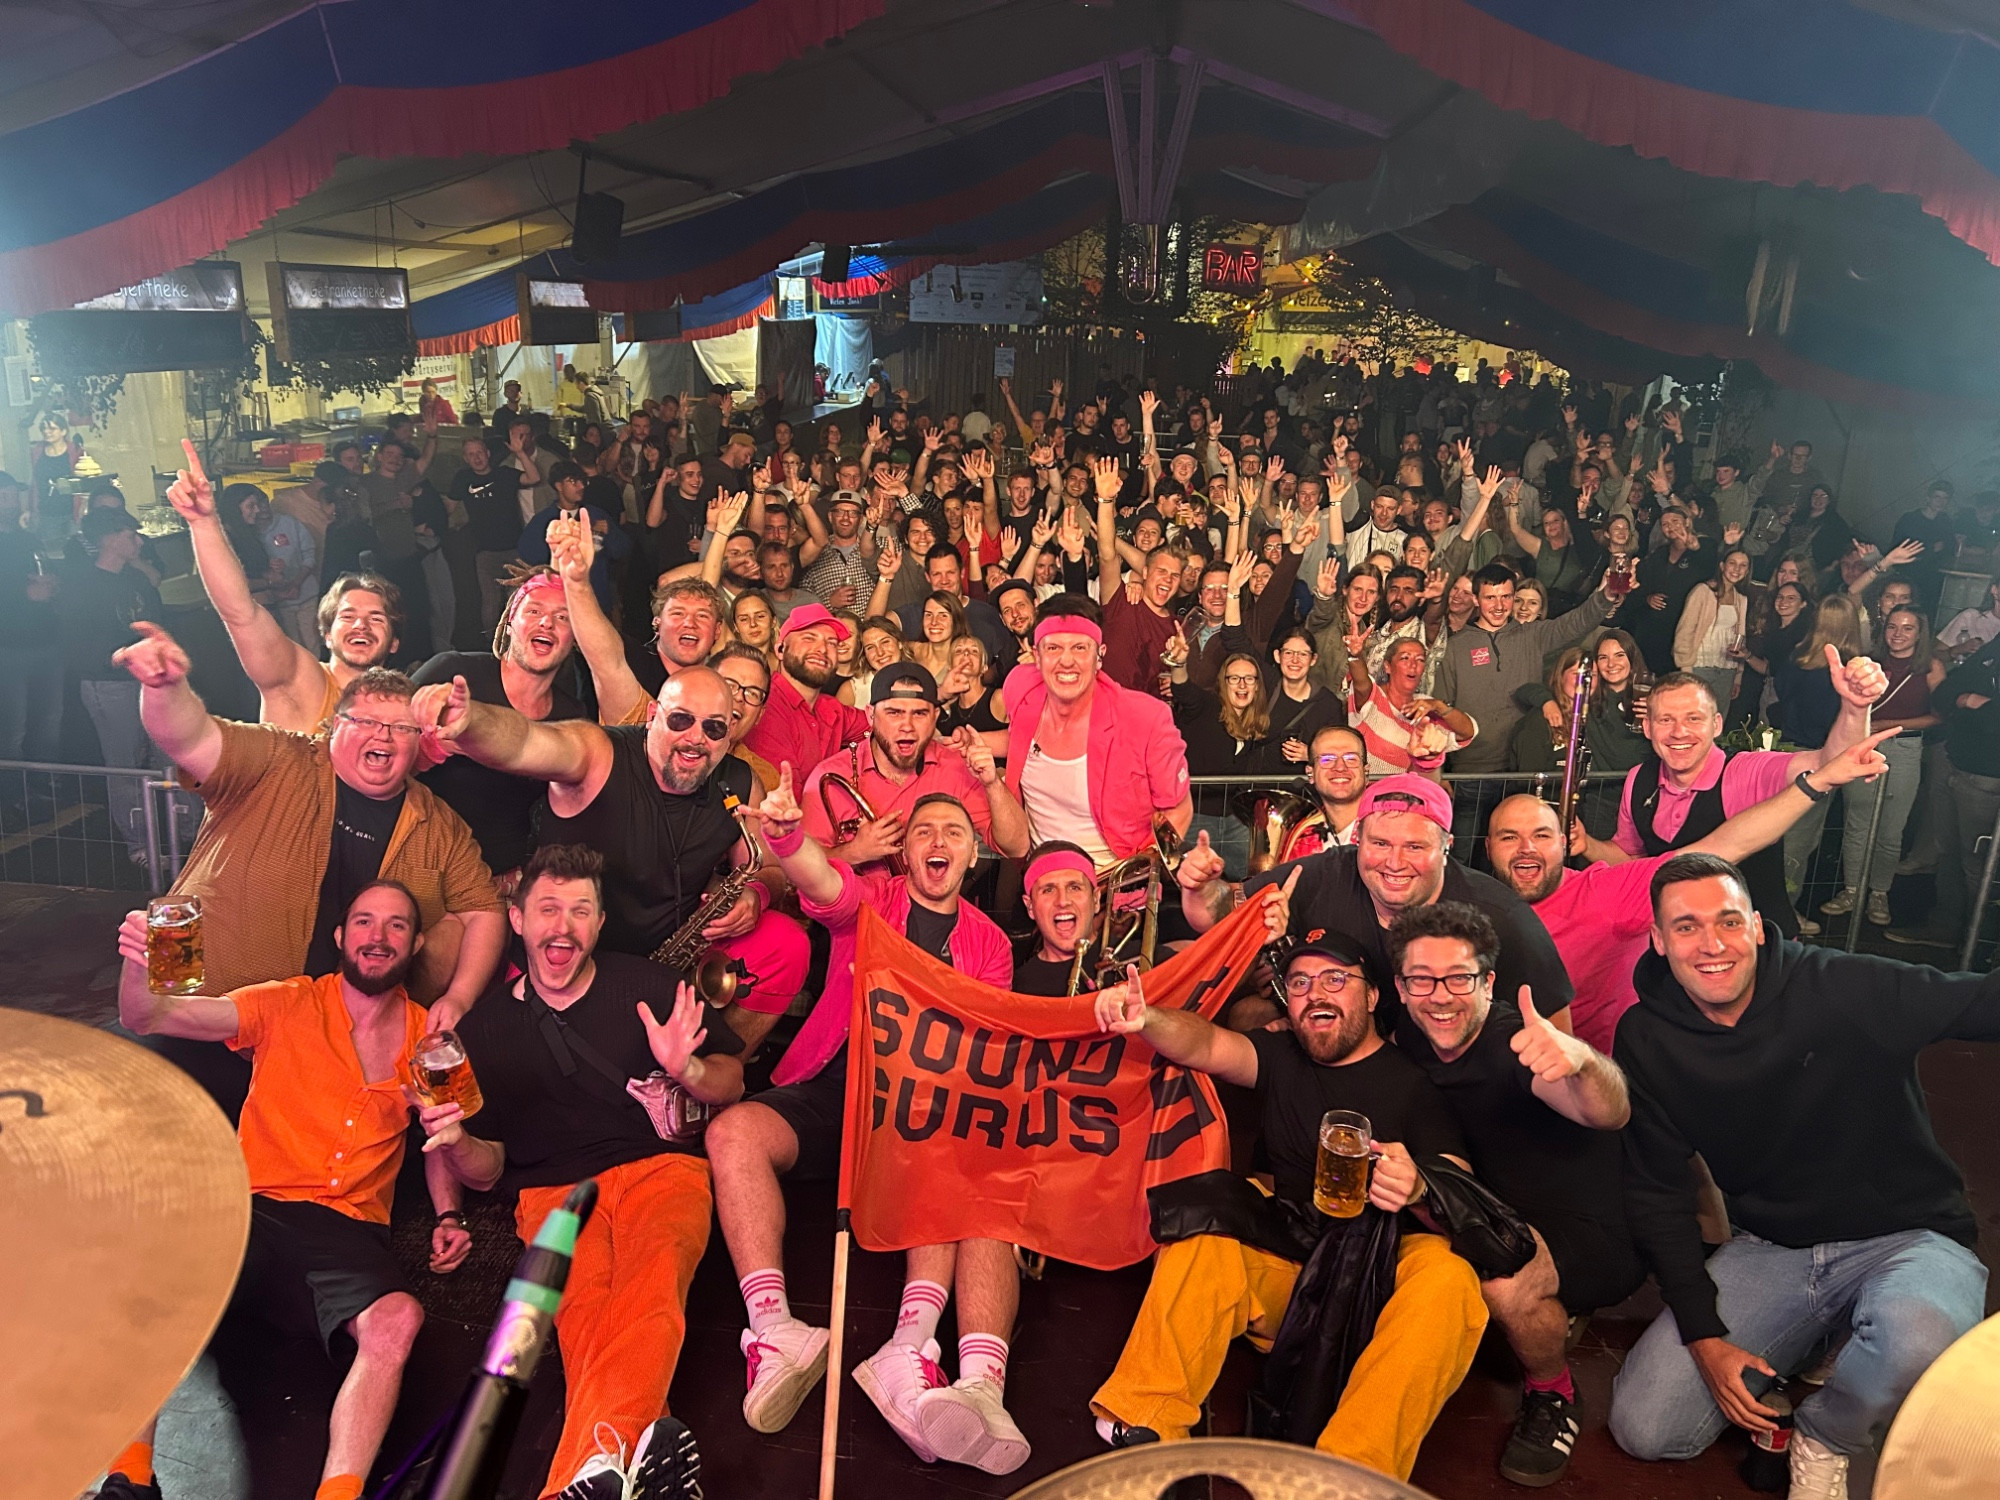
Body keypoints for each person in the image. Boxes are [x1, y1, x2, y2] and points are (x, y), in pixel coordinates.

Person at [1607, 852, 1998, 1498]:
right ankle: (1822, 1339)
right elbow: (1656, 1191)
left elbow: (1979, 1001)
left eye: (1729, 921)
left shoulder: (1843, 986)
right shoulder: (1647, 1038)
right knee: (1647, 1428)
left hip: (1908, 1232)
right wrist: (1704, 1335)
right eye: (1686, 926)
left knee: (1917, 1339)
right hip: (1774, 1246)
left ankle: (1826, 1433)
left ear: (1758, 926)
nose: (1712, 944)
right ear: (1658, 939)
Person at [1087, 936, 1488, 1481]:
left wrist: (1418, 1186)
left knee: (1450, 1278)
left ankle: (1348, 1475)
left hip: (1376, 1289)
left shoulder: (1414, 1086)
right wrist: (1147, 1018)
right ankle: (1147, 1418)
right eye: (1300, 983)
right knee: (1208, 1224)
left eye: (1335, 979)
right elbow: (1205, 1043)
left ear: (1372, 997)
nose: (1315, 993)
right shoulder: (1280, 1056)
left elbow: (1463, 1197)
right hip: (1295, 1272)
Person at [706, 781, 1022, 1470]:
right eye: (924, 831)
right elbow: (823, 882)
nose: (938, 841)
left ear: (973, 856)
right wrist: (788, 838)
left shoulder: (991, 944)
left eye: (955, 832)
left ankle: (910, 1346)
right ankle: (775, 1331)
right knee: (732, 1133)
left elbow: (984, 1049)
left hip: (921, 1111)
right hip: (834, 1089)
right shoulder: (876, 901)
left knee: (949, 1147)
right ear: (905, 853)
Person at [103, 884, 444, 1500]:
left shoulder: (429, 1039)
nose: (378, 936)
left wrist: (451, 1216)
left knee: (398, 1320)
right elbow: (149, 1015)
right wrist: (137, 966)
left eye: (396, 925)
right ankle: (129, 1479)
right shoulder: (288, 1001)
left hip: (348, 1230)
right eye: (364, 921)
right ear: (341, 937)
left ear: (415, 943)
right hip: (255, 1209)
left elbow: (444, 1135)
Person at [417, 844, 735, 1500]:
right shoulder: (486, 1030)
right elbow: (488, 1170)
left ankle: (583, 1472)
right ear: (517, 919)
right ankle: (622, 1474)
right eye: (548, 909)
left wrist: (688, 1070)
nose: (563, 926)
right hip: (551, 1193)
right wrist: (456, 1143)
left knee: (652, 1287)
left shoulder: (649, 986)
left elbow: (732, 1082)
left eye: (580, 911)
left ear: (599, 923)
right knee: (583, 1316)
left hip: (661, 1168)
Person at [419, 664, 807, 1051]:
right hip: (563, 958)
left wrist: (756, 893)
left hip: (662, 965)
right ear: (653, 714)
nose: (695, 738)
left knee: (786, 941)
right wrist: (470, 721)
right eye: (680, 719)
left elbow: (769, 868)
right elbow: (523, 742)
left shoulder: (740, 782)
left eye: (714, 728)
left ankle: (720, 1070)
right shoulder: (599, 751)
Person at [1386, 901, 1638, 1487]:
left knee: (1503, 1282)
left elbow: (1608, 1112)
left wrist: (1583, 1062)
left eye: (1459, 978)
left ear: (1488, 982)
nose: (1441, 996)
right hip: (1494, 1210)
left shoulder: (1517, 1046)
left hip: (1592, 1229)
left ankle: (1554, 1393)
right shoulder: (1412, 1038)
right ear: (1400, 987)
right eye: (1422, 979)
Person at [1482, 722, 1896, 1059]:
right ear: (1487, 848)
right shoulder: (1475, 906)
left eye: (1542, 835)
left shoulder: (1605, 892)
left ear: (1565, 843)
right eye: (1509, 837)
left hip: (1594, 1075)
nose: (1526, 848)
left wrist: (1818, 781)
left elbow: (1724, 846)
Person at [1178, 774, 1574, 1036]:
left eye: (1414, 847)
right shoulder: (1325, 873)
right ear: (1358, 841)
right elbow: (1215, 916)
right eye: (1380, 844)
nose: (1394, 863)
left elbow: (1558, 1037)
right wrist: (1201, 888)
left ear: (1446, 848)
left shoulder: (1502, 917)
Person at [1605, 654, 1888, 939]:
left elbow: (1832, 764)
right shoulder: (1639, 779)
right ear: (1647, 727)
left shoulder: (1745, 772)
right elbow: (1630, 857)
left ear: (1716, 725)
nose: (1679, 732)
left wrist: (1855, 708)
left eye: (1694, 718)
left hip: (1761, 948)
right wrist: (1584, 843)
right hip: (1684, 947)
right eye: (1666, 720)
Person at [165, 443, 402, 734]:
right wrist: (204, 523)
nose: (360, 625)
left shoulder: (403, 708)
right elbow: (240, 612)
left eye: (376, 618)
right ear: (327, 635)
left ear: (394, 642)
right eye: (348, 616)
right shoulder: (299, 682)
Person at [410, 567, 585, 877]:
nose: (547, 623)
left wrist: (527, 876)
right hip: (425, 862)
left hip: (506, 879)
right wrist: (429, 747)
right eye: (534, 611)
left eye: (563, 617)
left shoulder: (572, 717)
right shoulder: (452, 670)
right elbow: (380, 752)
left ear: (574, 639)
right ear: (508, 623)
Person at [1001, 593, 1192, 872]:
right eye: (1053, 648)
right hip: (1040, 878)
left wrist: (1137, 874)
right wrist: (967, 742)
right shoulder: (1020, 687)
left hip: (1118, 879)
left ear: (1100, 655)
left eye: (1080, 647)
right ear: (1037, 657)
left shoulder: (1145, 718)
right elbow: (1019, 739)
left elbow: (1178, 808)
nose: (1066, 661)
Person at [799, 662, 1028, 873]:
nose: (907, 725)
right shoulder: (831, 776)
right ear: (870, 715)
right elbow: (799, 870)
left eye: (919, 713)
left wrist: (992, 784)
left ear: (935, 717)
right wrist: (854, 852)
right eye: (894, 713)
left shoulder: (955, 766)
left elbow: (1016, 847)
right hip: (857, 904)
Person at [1817, 605, 1942, 926]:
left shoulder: (1930, 667)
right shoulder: (1869, 663)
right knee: (1856, 822)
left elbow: (1939, 717)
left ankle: (1879, 893)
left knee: (1891, 829)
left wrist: (1890, 724)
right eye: (1892, 626)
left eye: (1907, 628)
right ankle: (1852, 889)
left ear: (1920, 633)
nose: (1898, 634)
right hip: (1864, 745)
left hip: (1905, 748)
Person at [1433, 562, 1616, 779]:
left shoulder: (1532, 635)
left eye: (1506, 597)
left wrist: (1606, 596)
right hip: (1472, 770)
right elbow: (1440, 710)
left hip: (1524, 765)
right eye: (1490, 597)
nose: (1499, 606)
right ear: (1475, 599)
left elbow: (1575, 623)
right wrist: (1437, 772)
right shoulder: (1455, 647)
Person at [62, 505, 163, 864]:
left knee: (165, 754)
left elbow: (155, 618)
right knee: (124, 765)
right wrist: (118, 656)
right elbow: (77, 643)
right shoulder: (81, 585)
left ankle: (180, 832)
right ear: (109, 540)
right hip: (108, 684)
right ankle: (139, 844)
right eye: (130, 535)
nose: (139, 542)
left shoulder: (134, 579)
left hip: (148, 681)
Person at [744, 603, 870, 775]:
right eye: (809, 638)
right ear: (780, 650)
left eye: (832, 643)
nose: (822, 649)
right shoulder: (766, 709)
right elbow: (787, 791)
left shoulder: (830, 708)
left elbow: (885, 724)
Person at [449, 430, 538, 631]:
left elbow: (534, 477)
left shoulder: (504, 474)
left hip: (514, 548)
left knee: (518, 600)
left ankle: (517, 640)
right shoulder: (462, 478)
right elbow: (449, 507)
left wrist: (520, 453)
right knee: (490, 602)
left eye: (479, 452)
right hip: (485, 552)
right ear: (465, 458)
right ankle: (490, 644)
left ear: (488, 453)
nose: (477, 458)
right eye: (471, 454)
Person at [1011, 840, 1104, 995]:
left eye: (1074, 888)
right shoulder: (1019, 987)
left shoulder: (1137, 957)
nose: (1063, 901)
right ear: (1030, 907)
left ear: (1096, 900)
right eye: (1048, 890)